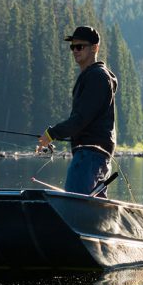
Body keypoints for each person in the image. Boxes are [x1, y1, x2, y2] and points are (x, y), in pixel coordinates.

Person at [36, 26, 118, 197]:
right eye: (73, 47)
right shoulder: (93, 76)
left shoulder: (97, 76)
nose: (75, 50)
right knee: (92, 212)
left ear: (95, 48)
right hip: (95, 156)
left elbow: (81, 118)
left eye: (80, 46)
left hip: (89, 156)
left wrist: (52, 133)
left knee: (75, 207)